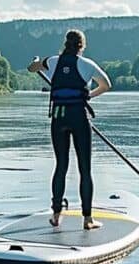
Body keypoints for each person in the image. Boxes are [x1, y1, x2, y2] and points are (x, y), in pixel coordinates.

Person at [27, 30, 112, 230]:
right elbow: (106, 85)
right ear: (82, 46)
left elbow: (32, 68)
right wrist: (88, 95)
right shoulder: (87, 65)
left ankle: (56, 215)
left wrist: (38, 61)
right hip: (79, 117)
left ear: (65, 43)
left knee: (61, 166)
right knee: (85, 169)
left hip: (58, 117)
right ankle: (88, 220)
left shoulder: (52, 61)